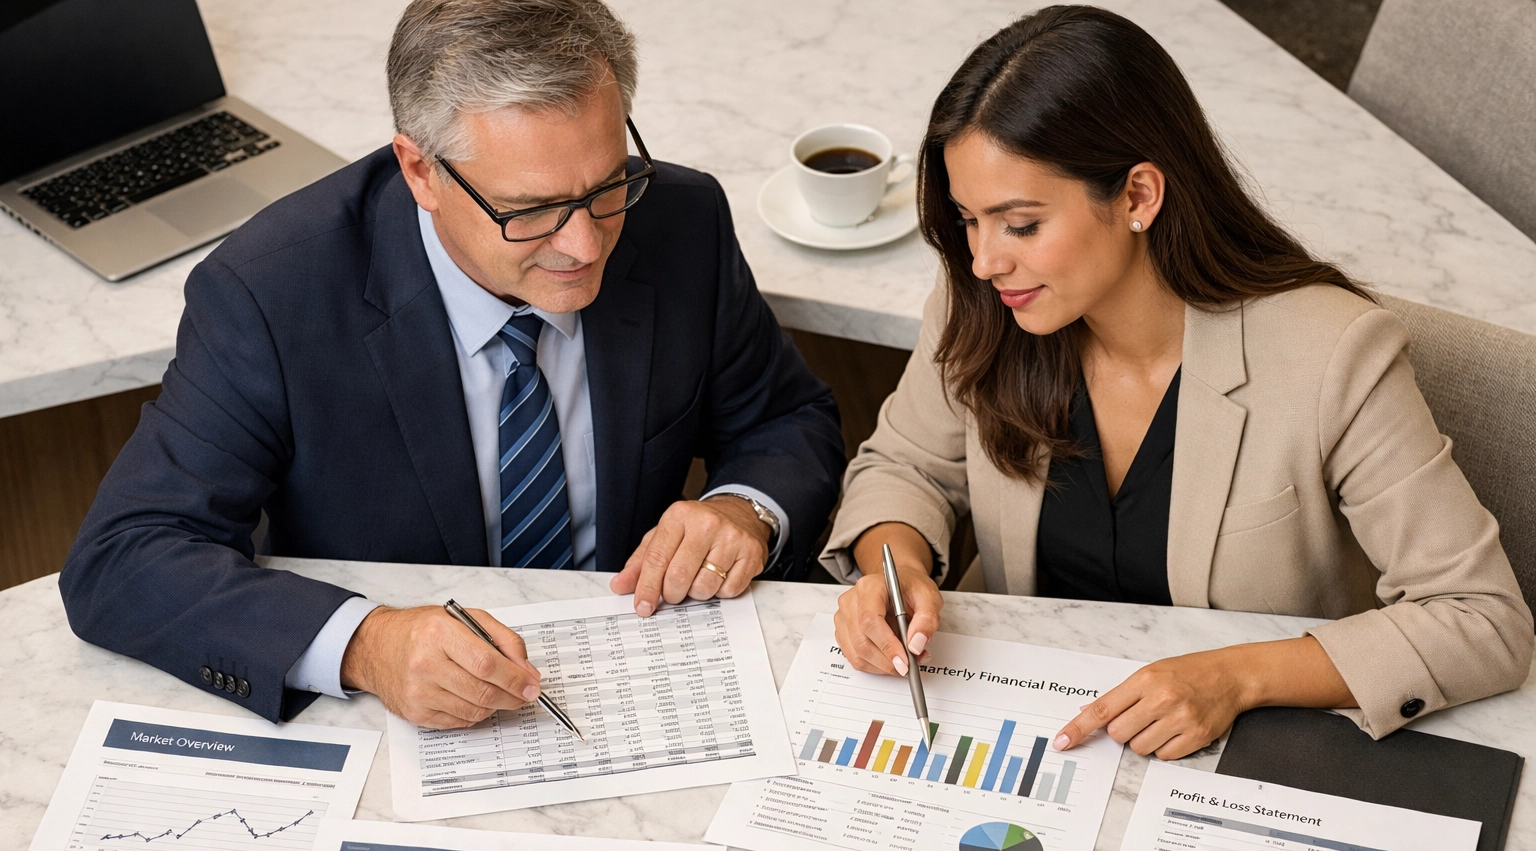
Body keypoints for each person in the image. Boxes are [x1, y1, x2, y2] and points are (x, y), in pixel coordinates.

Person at [59, 0, 845, 730]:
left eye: (607, 187)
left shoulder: (683, 217)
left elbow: (786, 418)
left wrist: (745, 509)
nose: (584, 244)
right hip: (391, 720)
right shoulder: (272, 292)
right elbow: (126, 553)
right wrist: (366, 644)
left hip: (634, 674)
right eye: (530, 210)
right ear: (420, 171)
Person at [824, 5, 1532, 759]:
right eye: (968, 220)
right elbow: (904, 467)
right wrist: (891, 575)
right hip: (1040, 735)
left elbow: (1480, 617)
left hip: (1244, 760)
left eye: (1020, 224)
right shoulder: (986, 306)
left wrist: (1239, 677)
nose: (984, 260)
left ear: (1137, 196)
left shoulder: (1332, 354)